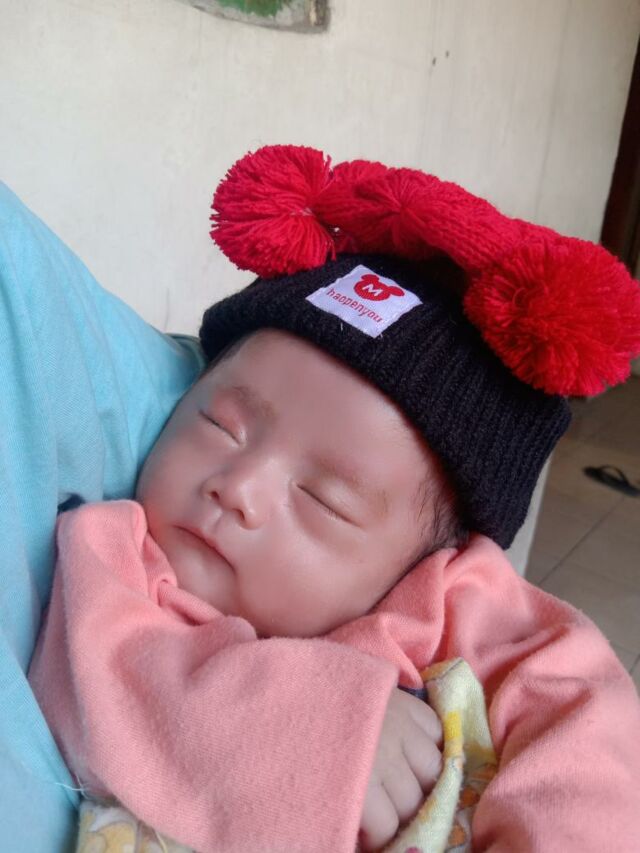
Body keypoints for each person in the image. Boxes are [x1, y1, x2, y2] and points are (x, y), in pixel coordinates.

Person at [27, 145, 640, 853]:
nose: (238, 487)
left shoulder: (452, 598)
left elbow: (586, 721)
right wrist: (314, 723)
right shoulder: (119, 554)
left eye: (322, 498)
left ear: (432, 556)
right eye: (221, 425)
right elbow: (99, 683)